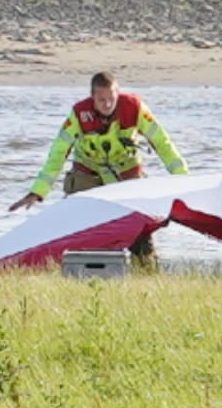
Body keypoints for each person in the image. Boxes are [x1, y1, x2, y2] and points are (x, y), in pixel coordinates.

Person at [9, 72, 187, 267]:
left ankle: (147, 268)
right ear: (92, 97)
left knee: (138, 227)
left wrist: (183, 180)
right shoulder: (78, 115)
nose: (107, 104)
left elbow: (163, 144)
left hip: (126, 172)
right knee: (78, 224)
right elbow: (57, 155)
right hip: (88, 172)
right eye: (101, 100)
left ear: (118, 94)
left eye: (111, 99)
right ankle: (77, 270)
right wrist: (37, 191)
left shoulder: (135, 108)